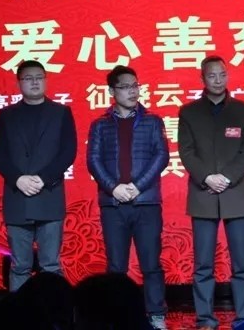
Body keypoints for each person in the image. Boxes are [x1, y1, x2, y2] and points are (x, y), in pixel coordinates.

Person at [86, 65, 169, 330]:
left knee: (151, 264)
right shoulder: (100, 125)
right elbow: (93, 160)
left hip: (146, 203)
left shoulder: (153, 121)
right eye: (125, 87)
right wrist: (114, 188)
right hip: (113, 205)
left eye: (135, 86)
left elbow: (161, 156)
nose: (132, 91)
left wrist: (136, 186)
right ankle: (117, 317)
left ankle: (156, 314)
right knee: (116, 267)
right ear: (112, 91)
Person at [178, 56, 244, 329]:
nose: (218, 80)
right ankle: (205, 318)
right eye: (212, 75)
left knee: (242, 263)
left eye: (222, 74)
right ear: (202, 78)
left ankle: (243, 318)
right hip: (203, 195)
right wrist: (207, 178)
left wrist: (226, 177)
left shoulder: (243, 111)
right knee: (203, 265)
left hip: (236, 194)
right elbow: (186, 151)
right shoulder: (189, 112)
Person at [0, 60, 78, 290]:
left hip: (49, 195)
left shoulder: (61, 112)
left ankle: (54, 311)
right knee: (20, 265)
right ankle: (20, 311)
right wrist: (18, 179)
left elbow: (68, 152)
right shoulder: (7, 115)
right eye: (28, 78)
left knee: (50, 265)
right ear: (19, 83)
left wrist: (43, 178)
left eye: (39, 77)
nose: (35, 82)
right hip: (18, 197)